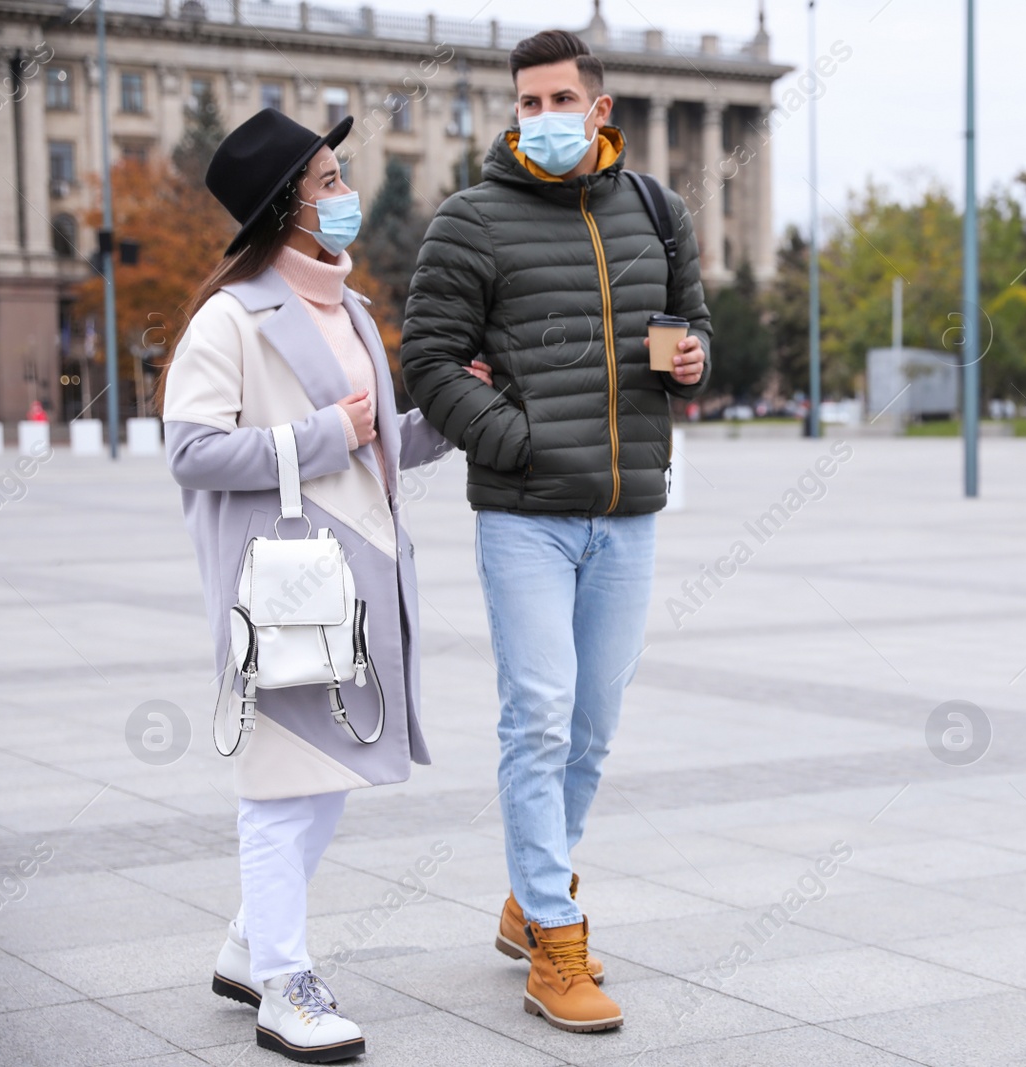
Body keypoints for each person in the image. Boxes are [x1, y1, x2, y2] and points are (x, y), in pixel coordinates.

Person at [401, 29, 710, 1034]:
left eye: (560, 99)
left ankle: (532, 892)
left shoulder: (657, 210)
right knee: (537, 715)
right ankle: (554, 936)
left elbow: (692, 327)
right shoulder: (470, 220)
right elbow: (433, 363)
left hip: (627, 511)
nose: (543, 117)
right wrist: (511, 439)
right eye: (528, 102)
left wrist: (694, 362)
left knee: (592, 728)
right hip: (525, 515)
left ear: (600, 107)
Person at [162, 108, 454, 1062]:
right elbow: (194, 451)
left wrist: (447, 416)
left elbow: (375, 440)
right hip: (284, 588)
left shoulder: (352, 309)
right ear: (287, 206)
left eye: (338, 177)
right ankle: (284, 984)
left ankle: (251, 941)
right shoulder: (229, 318)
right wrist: (323, 434)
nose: (343, 195)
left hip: (357, 584)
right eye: (327, 181)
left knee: (324, 782)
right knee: (283, 790)